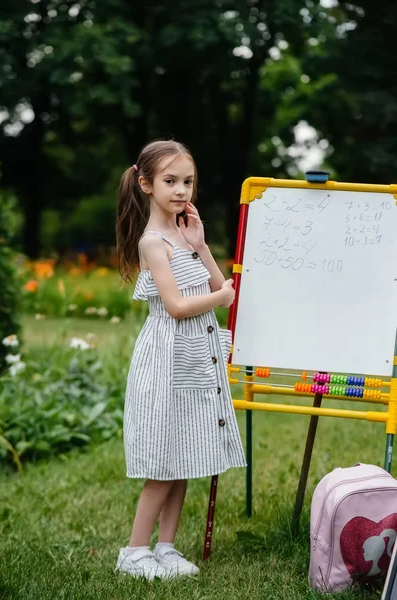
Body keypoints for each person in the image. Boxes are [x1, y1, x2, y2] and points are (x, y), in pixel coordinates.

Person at [115, 139, 247, 580]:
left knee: (187, 453)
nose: (181, 190)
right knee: (163, 461)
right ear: (147, 184)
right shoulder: (153, 242)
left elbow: (216, 282)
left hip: (195, 359)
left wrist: (202, 244)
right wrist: (222, 295)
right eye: (170, 181)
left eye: (187, 181)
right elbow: (175, 305)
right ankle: (135, 551)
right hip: (167, 360)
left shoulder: (184, 235)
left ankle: (166, 547)